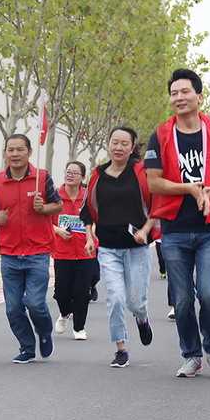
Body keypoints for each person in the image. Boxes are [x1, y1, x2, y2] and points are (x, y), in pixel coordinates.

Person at [145, 68, 210, 380]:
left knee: (209, 293)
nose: (179, 97)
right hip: (174, 228)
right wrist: (189, 188)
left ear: (199, 96)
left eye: (185, 92)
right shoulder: (159, 135)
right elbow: (154, 183)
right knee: (182, 298)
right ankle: (191, 355)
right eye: (174, 93)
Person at [0, 134, 62, 363]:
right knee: (13, 308)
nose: (15, 154)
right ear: (5, 153)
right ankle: (27, 347)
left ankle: (44, 332)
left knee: (35, 303)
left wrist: (43, 207)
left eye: (20, 150)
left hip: (38, 251)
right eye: (10, 150)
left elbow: (58, 205)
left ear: (28, 152)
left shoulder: (42, 178)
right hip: (10, 254)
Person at [81, 127, 156, 368]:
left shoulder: (141, 172)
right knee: (114, 298)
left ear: (133, 147)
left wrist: (145, 230)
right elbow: (88, 213)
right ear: (108, 144)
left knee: (135, 302)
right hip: (108, 248)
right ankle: (120, 347)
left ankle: (142, 319)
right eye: (115, 142)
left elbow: (158, 206)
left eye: (125, 143)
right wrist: (90, 238)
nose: (118, 147)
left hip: (136, 248)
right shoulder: (97, 175)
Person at [52, 161, 97, 340]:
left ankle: (79, 328)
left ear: (82, 177)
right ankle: (64, 313)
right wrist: (57, 230)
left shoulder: (89, 197)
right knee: (61, 291)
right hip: (62, 252)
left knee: (82, 291)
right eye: (68, 171)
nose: (70, 175)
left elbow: (96, 219)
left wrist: (91, 235)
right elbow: (45, 221)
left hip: (86, 252)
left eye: (75, 173)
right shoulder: (54, 196)